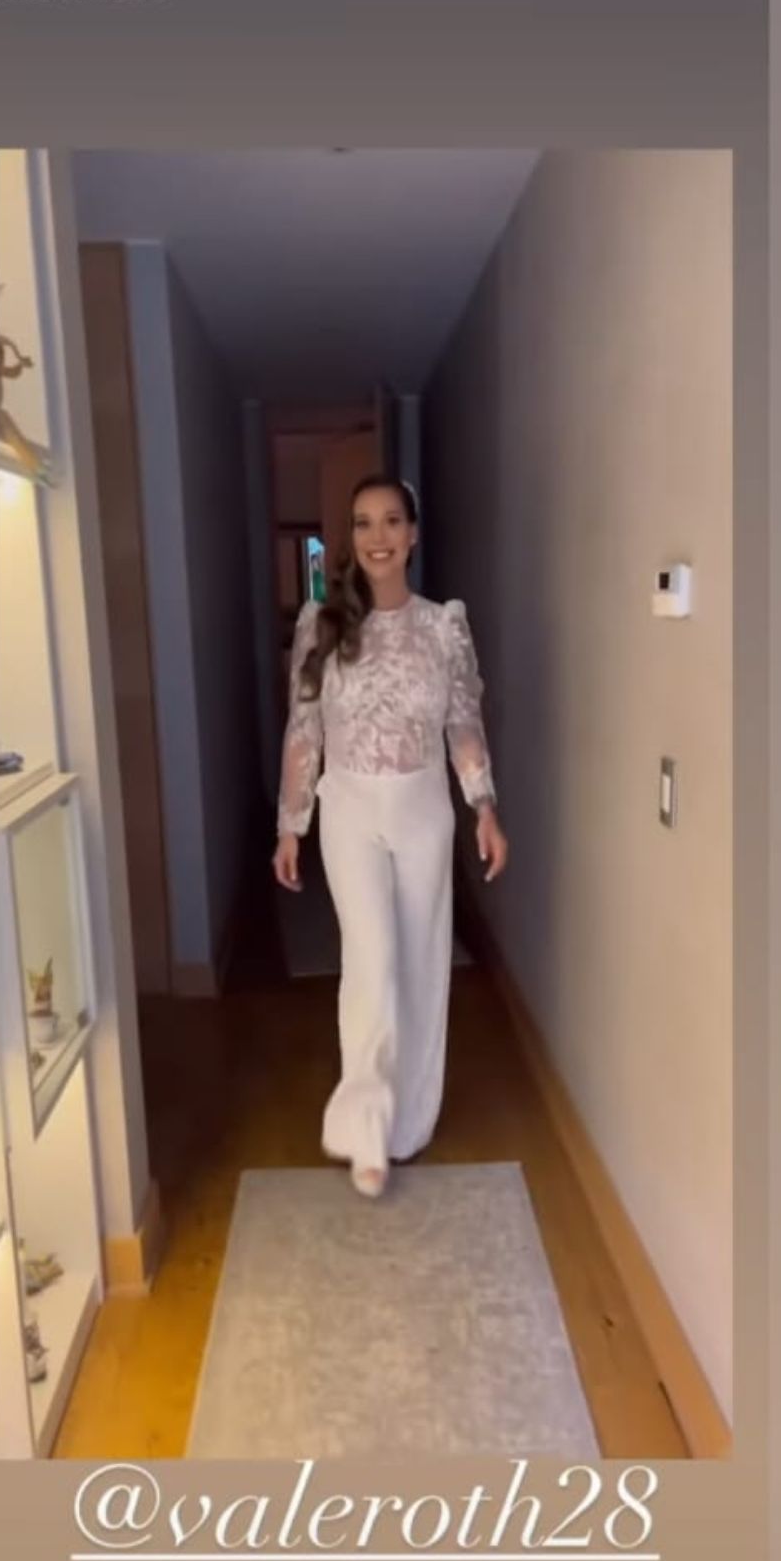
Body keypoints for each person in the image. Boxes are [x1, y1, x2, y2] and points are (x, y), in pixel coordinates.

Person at [272, 474, 509, 1199]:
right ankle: (366, 1127)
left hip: (423, 809)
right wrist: (291, 824)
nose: (377, 536)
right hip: (349, 809)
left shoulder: (443, 627)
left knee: (421, 961)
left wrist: (484, 806)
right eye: (363, 523)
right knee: (371, 960)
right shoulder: (321, 624)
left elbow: (462, 722)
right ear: (352, 537)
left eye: (391, 521)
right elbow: (304, 731)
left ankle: (408, 1123)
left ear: (412, 535)